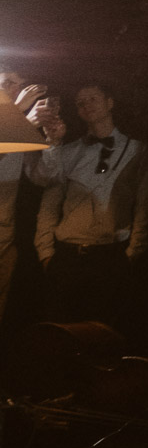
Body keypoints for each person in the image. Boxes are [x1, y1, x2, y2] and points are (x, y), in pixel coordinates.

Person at [35, 83, 148, 332]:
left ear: (110, 102)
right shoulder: (68, 151)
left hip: (110, 256)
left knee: (105, 334)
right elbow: (50, 203)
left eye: (92, 99)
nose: (86, 105)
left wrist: (133, 252)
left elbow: (145, 205)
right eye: (80, 103)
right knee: (62, 334)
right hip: (67, 256)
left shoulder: (135, 149)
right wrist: (45, 251)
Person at [0, 83, 62, 330]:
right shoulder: (18, 122)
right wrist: (18, 116)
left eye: (19, 84)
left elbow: (42, 177)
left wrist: (53, 142)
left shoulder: (21, 126)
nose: (16, 89)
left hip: (5, 238)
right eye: (6, 83)